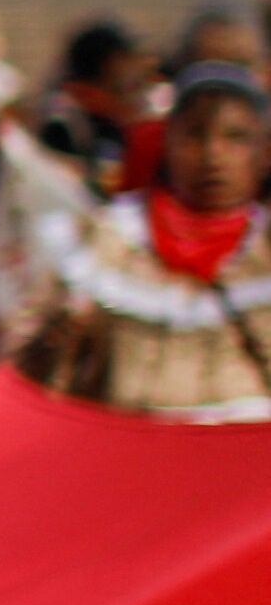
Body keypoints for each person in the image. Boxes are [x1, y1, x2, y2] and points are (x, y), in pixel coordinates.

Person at [16, 61, 271, 421]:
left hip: (243, 466)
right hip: (128, 458)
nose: (213, 155)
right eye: (194, 135)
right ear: (167, 142)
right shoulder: (106, 239)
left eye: (236, 138)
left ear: (264, 153)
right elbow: (35, 378)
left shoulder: (265, 250)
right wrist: (56, 334)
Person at [39, 19, 147, 195]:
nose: (134, 68)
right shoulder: (63, 119)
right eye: (126, 58)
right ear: (108, 65)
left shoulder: (116, 115)